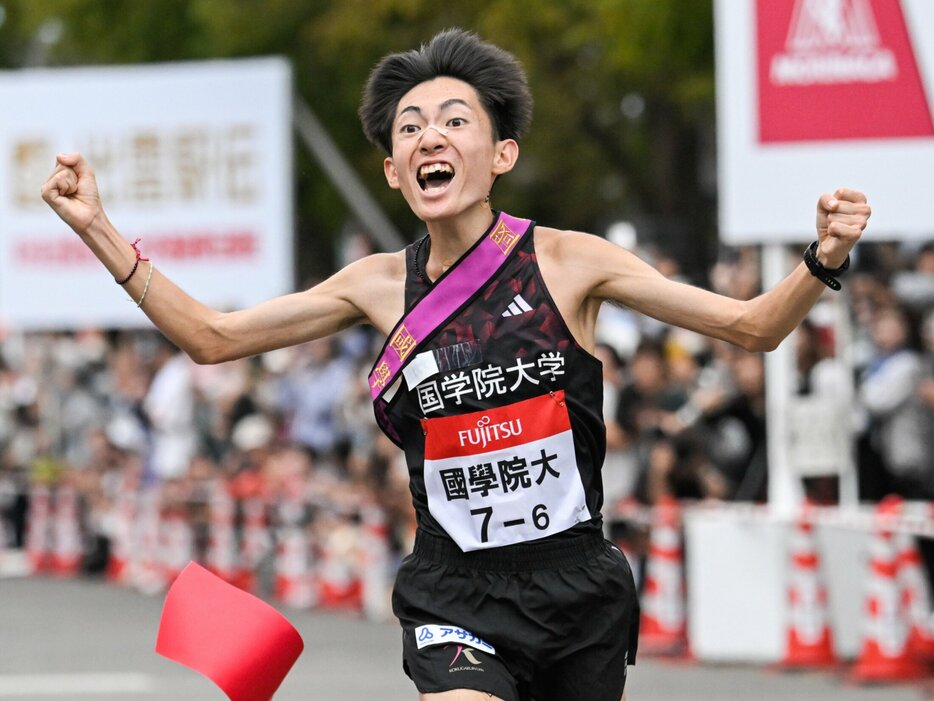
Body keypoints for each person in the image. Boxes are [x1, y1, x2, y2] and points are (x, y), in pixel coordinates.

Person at [42, 27, 869, 701]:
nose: (429, 136)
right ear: (395, 171)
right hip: (453, 592)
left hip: (577, 585)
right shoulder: (373, 284)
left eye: (453, 120)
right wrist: (98, 228)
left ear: (501, 154)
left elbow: (753, 327)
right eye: (409, 129)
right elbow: (213, 337)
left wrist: (821, 260)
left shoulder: (572, 262)